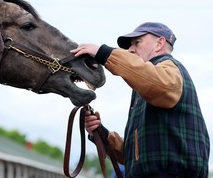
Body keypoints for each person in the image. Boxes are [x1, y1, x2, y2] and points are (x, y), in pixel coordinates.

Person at [70, 22, 210, 178]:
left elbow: (159, 84)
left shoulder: (171, 67)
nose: (130, 49)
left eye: (137, 42)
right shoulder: (144, 87)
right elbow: (133, 156)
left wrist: (103, 53)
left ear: (159, 43)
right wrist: (101, 133)